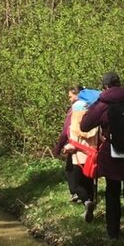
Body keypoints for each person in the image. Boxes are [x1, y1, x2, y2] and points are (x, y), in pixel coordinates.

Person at [80, 72, 124, 246]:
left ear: (105, 87)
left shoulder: (103, 103)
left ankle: (113, 233)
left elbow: (85, 125)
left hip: (113, 154)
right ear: (120, 83)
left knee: (113, 192)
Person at [54, 84, 99, 221]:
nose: (70, 99)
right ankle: (90, 207)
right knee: (89, 181)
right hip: (92, 154)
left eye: (70, 96)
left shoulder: (74, 115)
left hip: (77, 155)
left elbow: (67, 134)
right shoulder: (93, 115)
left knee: (75, 184)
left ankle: (87, 202)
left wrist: (59, 148)